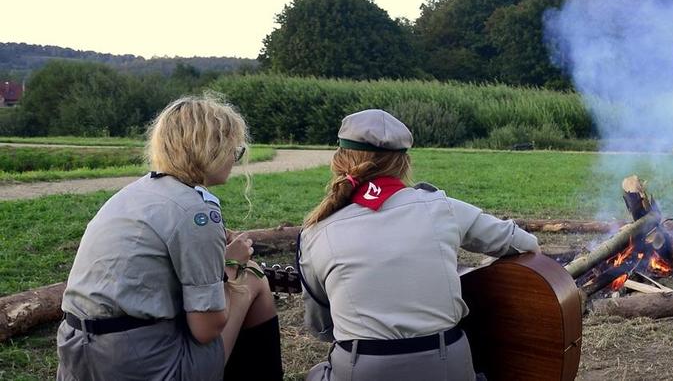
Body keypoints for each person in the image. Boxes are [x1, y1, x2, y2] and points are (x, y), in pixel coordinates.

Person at [299, 109, 541, 381]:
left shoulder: (316, 232)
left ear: (340, 160)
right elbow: (524, 244)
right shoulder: (443, 207)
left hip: (363, 367)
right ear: (404, 162)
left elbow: (321, 327)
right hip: (448, 365)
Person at [56, 92, 283, 381]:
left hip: (78, 355)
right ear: (210, 147)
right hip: (140, 365)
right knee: (252, 277)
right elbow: (206, 329)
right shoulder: (196, 211)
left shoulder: (133, 194)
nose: (234, 159)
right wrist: (229, 267)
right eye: (233, 149)